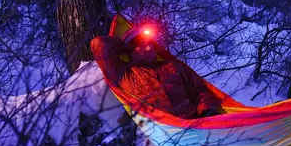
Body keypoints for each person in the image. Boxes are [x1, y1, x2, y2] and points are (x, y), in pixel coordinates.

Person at [90, 28, 224, 120]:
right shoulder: (125, 74)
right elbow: (98, 44)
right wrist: (124, 43)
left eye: (151, 44)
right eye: (142, 45)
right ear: (130, 50)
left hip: (194, 125)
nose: (149, 48)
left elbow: (199, 90)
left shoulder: (171, 65)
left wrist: (207, 110)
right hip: (164, 133)